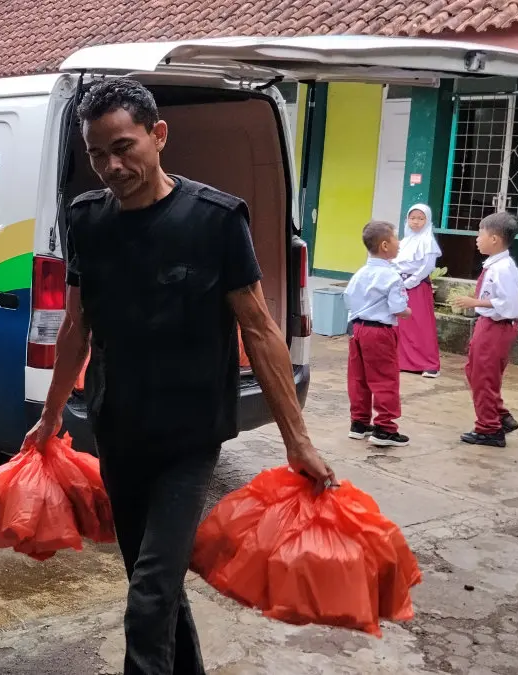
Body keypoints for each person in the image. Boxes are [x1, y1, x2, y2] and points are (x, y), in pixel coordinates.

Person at [24, 78, 335, 675]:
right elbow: (76, 328)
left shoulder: (215, 220)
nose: (111, 166)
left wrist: (298, 441)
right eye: (96, 154)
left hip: (188, 439)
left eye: (124, 147)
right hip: (117, 429)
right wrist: (52, 412)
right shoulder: (87, 220)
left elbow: (261, 329)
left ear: (159, 135)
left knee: (148, 597)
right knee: (157, 583)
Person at [452, 212, 518, 447]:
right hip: (489, 324)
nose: (477, 238)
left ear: (494, 239)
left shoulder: (503, 268)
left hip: (496, 326)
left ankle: (489, 429)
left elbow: (508, 304)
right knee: (475, 371)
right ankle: (500, 416)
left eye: (480, 233)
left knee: (484, 376)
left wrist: (475, 303)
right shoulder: (496, 264)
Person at [344, 221, 411, 448]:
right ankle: (385, 428)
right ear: (385, 245)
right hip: (380, 332)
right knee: (384, 378)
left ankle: (359, 424)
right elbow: (398, 308)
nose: (399, 242)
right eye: (395, 238)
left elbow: (348, 299)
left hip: (357, 329)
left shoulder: (360, 273)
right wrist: (408, 311)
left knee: (358, 377)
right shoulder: (392, 276)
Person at [395, 204, 442, 377]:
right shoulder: (405, 241)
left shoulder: (428, 241)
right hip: (400, 285)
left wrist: (410, 282)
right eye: (412, 218)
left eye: (421, 218)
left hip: (417, 287)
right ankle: (404, 361)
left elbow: (427, 266)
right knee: (403, 324)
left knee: (421, 324)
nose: (415, 222)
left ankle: (430, 364)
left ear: (427, 220)